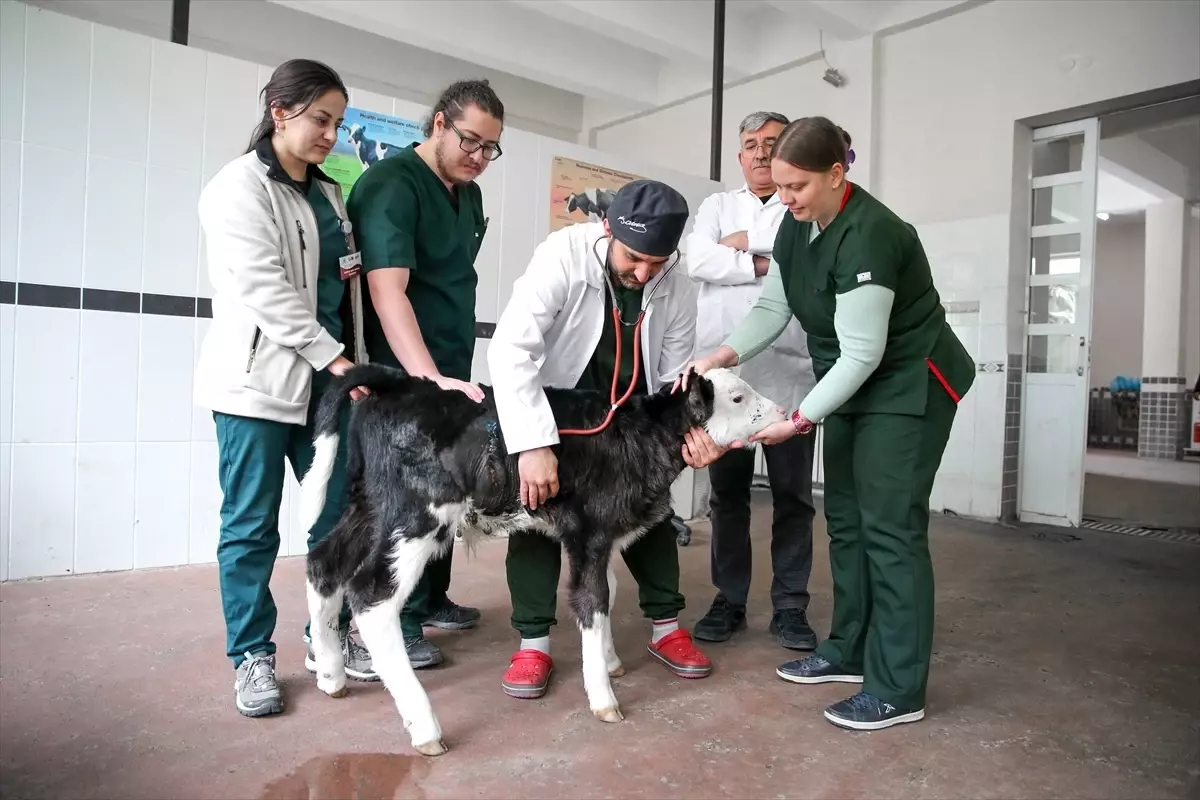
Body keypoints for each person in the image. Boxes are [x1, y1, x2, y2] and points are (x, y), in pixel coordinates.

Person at [682, 117, 975, 731]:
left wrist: (799, 419)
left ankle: (897, 687)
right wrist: (719, 356)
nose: (782, 199)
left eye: (796, 186)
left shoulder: (873, 234)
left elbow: (866, 352)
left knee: (889, 527)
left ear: (837, 174)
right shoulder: (797, 225)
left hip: (907, 383)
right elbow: (773, 306)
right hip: (849, 380)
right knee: (845, 517)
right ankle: (848, 648)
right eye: (779, 186)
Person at [488, 180, 730, 700]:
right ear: (607, 230)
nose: (644, 273)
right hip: (556, 409)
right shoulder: (563, 256)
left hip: (629, 413)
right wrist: (532, 445)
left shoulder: (677, 284)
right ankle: (534, 643)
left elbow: (673, 381)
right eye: (634, 258)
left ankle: (666, 628)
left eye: (657, 262)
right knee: (538, 512)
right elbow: (511, 350)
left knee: (654, 511)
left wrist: (692, 436)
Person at [195, 59, 376, 717]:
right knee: (250, 524)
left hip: (328, 386)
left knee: (340, 516)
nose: (330, 133)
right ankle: (251, 657)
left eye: (338, 122)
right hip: (256, 386)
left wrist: (353, 364)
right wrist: (335, 360)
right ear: (279, 111)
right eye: (320, 119)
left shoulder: (328, 195)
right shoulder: (236, 189)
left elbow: (346, 290)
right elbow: (265, 291)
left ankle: (324, 636)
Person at [346, 79, 504, 669]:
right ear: (439, 123)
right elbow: (388, 293)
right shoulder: (391, 185)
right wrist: (427, 378)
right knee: (398, 497)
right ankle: (373, 623)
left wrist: (448, 375)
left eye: (491, 148)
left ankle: (430, 601)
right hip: (402, 374)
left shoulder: (468, 193)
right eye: (470, 141)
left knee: (446, 485)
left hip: (447, 364)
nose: (479, 157)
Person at [685, 110, 819, 651]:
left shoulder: (800, 206)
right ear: (738, 155)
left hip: (789, 377)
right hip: (726, 379)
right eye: (751, 144)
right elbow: (697, 259)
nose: (761, 153)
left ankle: (790, 607)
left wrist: (740, 245)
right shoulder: (715, 206)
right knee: (727, 497)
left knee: (793, 499)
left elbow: (802, 255)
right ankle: (729, 599)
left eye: (772, 143)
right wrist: (765, 261)